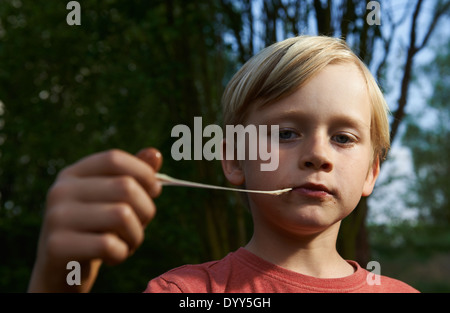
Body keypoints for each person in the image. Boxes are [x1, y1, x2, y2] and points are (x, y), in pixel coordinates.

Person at [28, 35, 419, 293]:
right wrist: (53, 281)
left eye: (343, 138)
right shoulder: (184, 292)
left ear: (371, 172)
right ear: (234, 159)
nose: (318, 154)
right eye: (286, 133)